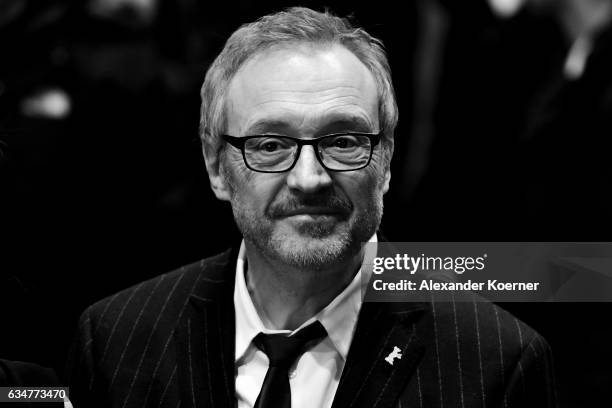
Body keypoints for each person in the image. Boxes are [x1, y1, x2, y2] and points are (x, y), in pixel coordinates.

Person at [66, 7, 557, 408]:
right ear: (218, 168)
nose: (309, 179)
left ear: (385, 162)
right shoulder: (115, 338)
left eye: (343, 140)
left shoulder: (498, 361)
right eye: (270, 144)